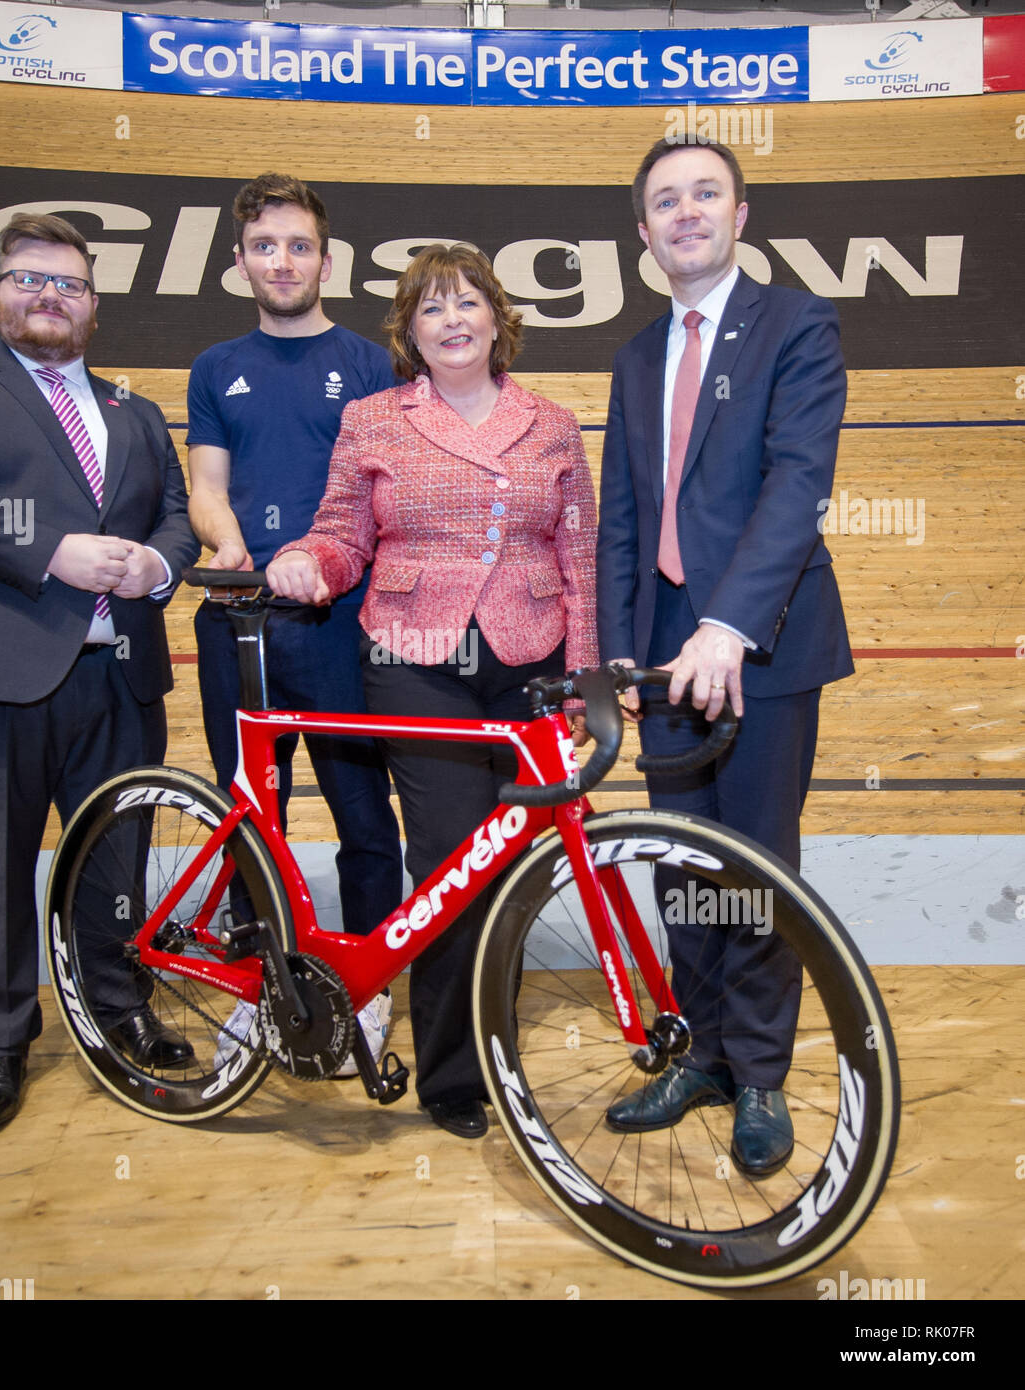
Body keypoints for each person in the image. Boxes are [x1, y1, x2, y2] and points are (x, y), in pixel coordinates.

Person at [0, 213, 201, 1134]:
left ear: (93, 307)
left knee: (116, 859)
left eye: (67, 284)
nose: (48, 296)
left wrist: (159, 567)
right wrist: (50, 549)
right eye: (28, 280)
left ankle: (119, 1007)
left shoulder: (134, 412)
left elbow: (173, 517)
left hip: (117, 676)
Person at [267, 243, 597, 1138]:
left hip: (532, 658)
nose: (452, 321)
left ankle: (496, 1041)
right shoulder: (375, 419)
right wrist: (308, 560)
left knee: (518, 862)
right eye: (431, 309)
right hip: (415, 657)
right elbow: (342, 532)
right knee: (454, 863)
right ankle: (454, 1073)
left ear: (497, 318)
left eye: (467, 304)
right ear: (409, 333)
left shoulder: (554, 421)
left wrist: (585, 680)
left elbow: (578, 558)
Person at [595, 136, 853, 1176]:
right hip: (659, 660)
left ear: (741, 215)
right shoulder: (634, 354)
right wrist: (615, 653)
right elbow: (622, 517)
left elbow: (798, 486)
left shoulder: (797, 324)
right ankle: (698, 1051)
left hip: (761, 651)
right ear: (644, 231)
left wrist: (727, 625)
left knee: (754, 870)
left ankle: (758, 1073)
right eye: (666, 200)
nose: (686, 212)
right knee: (682, 869)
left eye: (706, 193)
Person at [187, 174, 403, 1074]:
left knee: (362, 813)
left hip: (341, 624)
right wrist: (230, 547)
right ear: (239, 262)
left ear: (326, 258)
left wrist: (319, 565)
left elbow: (386, 492)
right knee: (252, 813)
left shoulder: (368, 363)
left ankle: (370, 986)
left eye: (299, 245)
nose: (283, 260)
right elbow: (204, 484)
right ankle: (264, 981)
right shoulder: (212, 367)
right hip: (237, 624)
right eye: (265, 246)